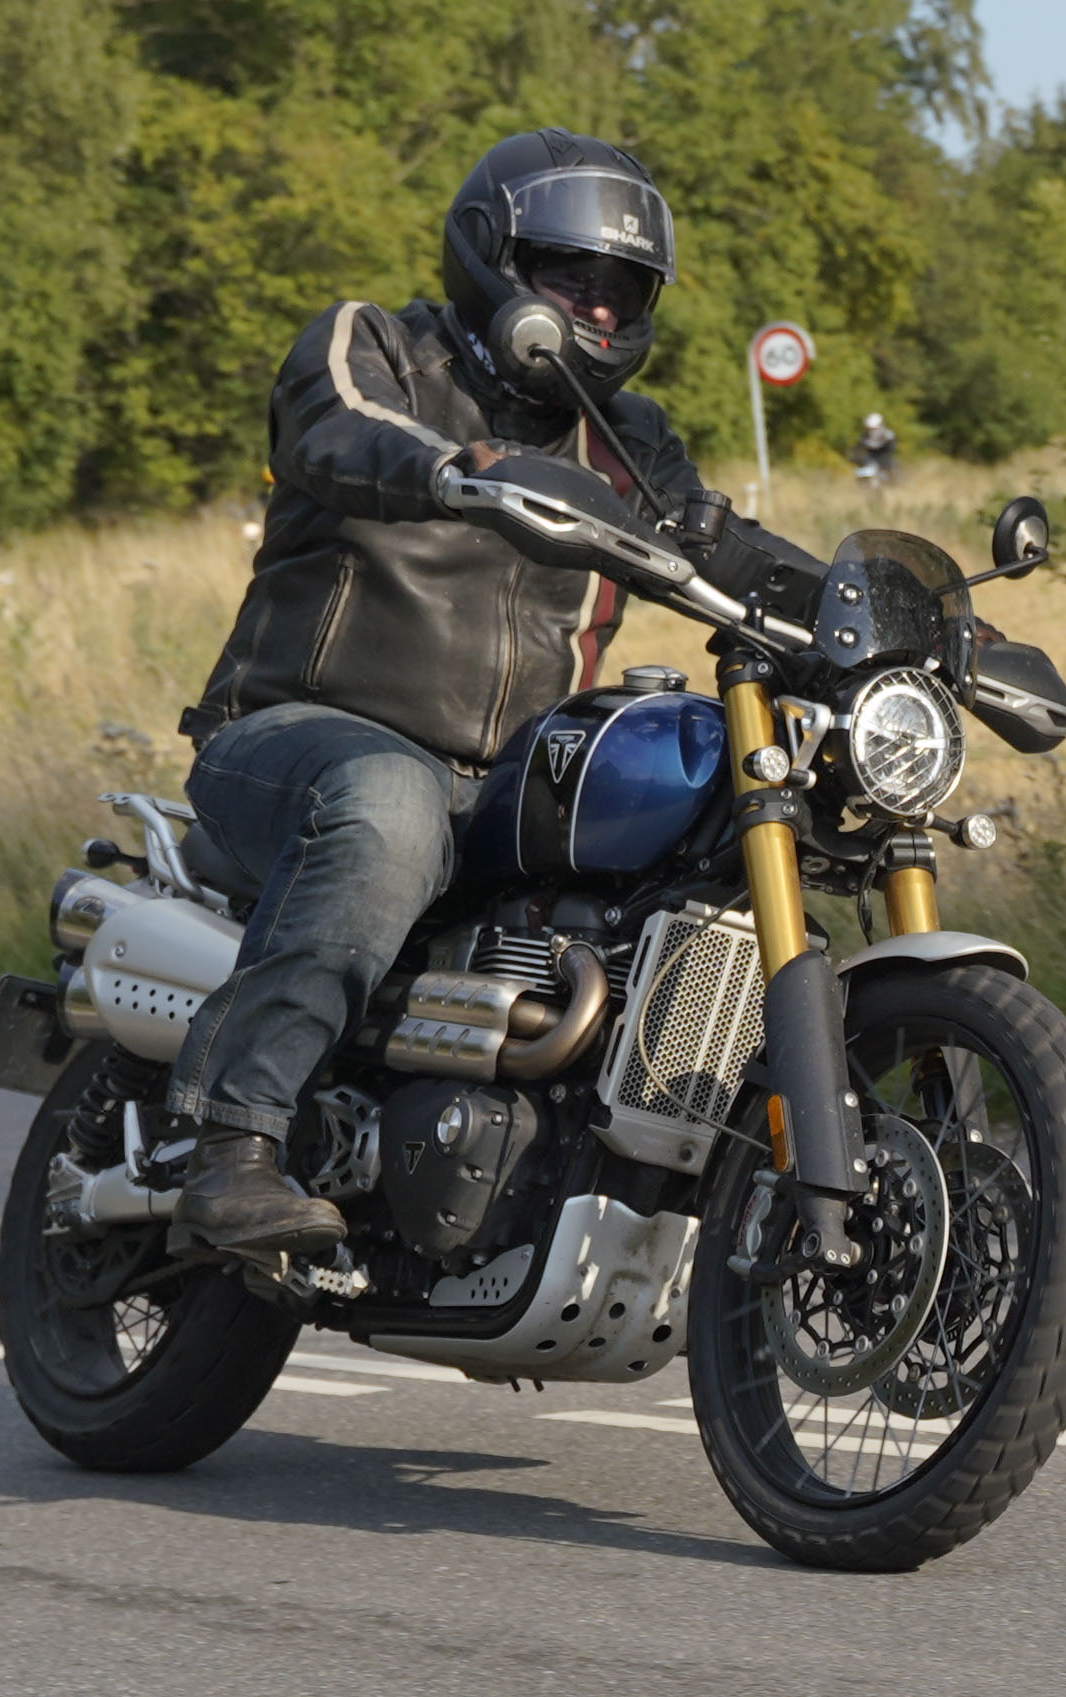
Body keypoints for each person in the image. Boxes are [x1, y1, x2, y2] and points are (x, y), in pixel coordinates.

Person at [161, 128, 707, 1256]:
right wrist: (458, 469)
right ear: (490, 256)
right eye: (570, 275)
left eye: (622, 288)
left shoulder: (627, 440)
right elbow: (338, 428)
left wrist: (902, 615)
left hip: (503, 785)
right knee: (391, 803)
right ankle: (232, 1142)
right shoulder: (377, 347)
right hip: (298, 735)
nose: (598, 307)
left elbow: (719, 544)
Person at [851, 412, 898, 485]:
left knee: (889, 469)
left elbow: (891, 447)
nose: (871, 430)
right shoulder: (865, 435)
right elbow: (859, 446)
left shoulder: (888, 434)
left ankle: (890, 482)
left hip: (884, 457)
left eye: (873, 428)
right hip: (871, 456)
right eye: (870, 428)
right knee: (863, 469)